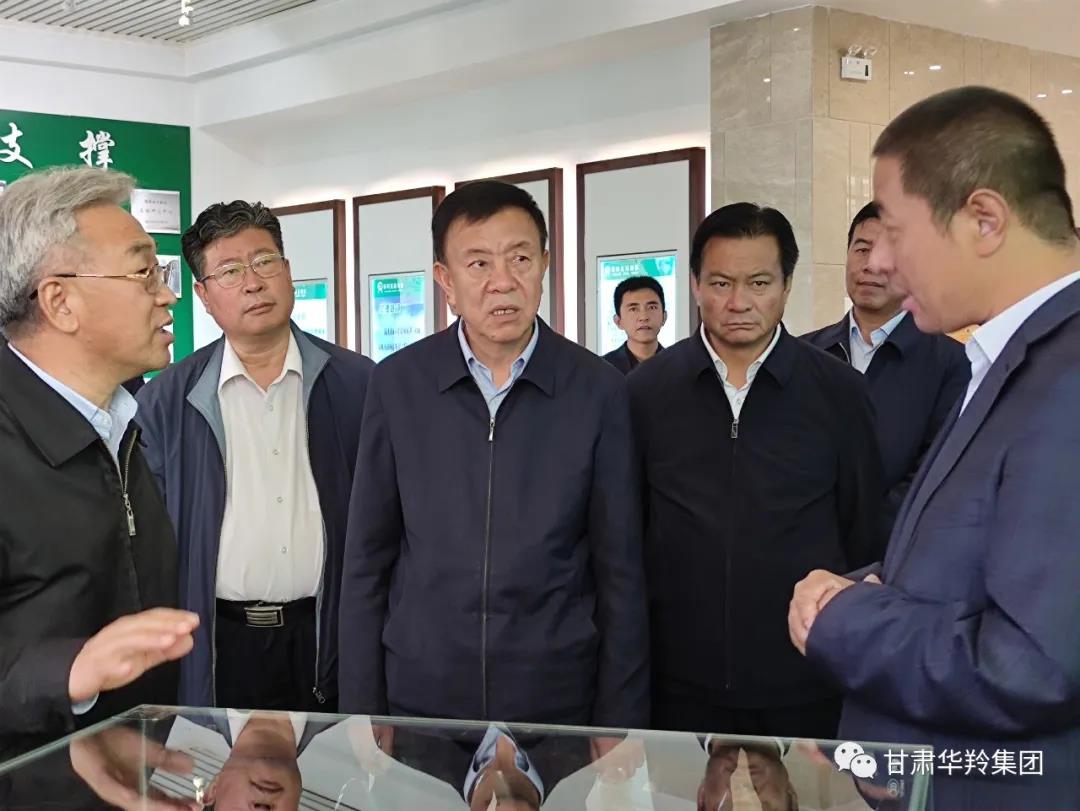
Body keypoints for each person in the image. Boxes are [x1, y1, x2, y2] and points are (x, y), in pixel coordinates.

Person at [791, 86, 1080, 807]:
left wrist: (846, 619)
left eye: (895, 230)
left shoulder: (1068, 378)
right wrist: (872, 584)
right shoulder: (1013, 358)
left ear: (984, 219)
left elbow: (1033, 665)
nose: (881, 263)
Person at [339, 180, 649, 735]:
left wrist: (618, 723)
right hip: (420, 699)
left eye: (520, 258)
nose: (503, 281)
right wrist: (362, 713)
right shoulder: (398, 385)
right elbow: (366, 560)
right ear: (445, 280)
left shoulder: (598, 390)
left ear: (545, 264)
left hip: (556, 704)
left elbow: (620, 571)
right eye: (478, 263)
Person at [629, 202, 883, 740]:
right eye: (720, 283)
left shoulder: (839, 392)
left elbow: (862, 532)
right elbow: (629, 531)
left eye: (759, 283)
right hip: (678, 682)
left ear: (787, 285)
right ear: (694, 284)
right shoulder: (646, 392)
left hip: (805, 678)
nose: (738, 303)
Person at [137, 201, 374, 712]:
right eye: (229, 271)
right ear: (203, 295)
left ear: (288, 271)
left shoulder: (360, 385)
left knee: (333, 761)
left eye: (264, 262)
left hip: (329, 634)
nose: (252, 283)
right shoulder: (166, 401)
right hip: (219, 642)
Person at [0, 166, 198, 735]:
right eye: (143, 273)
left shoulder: (124, 422)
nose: (168, 294)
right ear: (60, 302)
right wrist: (68, 670)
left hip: (137, 763)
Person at [802, 202, 969, 536]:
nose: (870, 265)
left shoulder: (952, 365)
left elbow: (934, 477)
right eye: (862, 249)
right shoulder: (804, 353)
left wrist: (859, 544)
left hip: (892, 553)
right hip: (803, 549)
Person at [602, 275, 666, 374]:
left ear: (664, 317)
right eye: (633, 309)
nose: (644, 317)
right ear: (618, 321)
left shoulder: (681, 366)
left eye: (652, 307)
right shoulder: (603, 368)